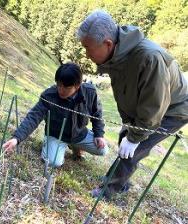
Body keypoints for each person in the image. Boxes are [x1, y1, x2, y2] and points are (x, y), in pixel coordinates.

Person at [76, 9, 188, 198]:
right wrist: (129, 128)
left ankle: (108, 190)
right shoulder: (117, 56)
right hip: (151, 105)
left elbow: (154, 107)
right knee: (125, 139)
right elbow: (128, 93)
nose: (86, 54)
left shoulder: (149, 58)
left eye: (88, 48)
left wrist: (136, 137)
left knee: (135, 148)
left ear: (107, 43)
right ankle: (121, 182)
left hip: (174, 108)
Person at [3, 62, 108, 167]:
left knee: (103, 150)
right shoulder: (49, 96)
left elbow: (97, 113)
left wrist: (99, 134)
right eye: (59, 85)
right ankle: (50, 144)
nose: (61, 90)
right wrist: (16, 138)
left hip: (79, 134)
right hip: (57, 135)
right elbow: (33, 117)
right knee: (53, 162)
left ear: (77, 86)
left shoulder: (90, 92)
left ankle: (76, 146)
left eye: (66, 88)